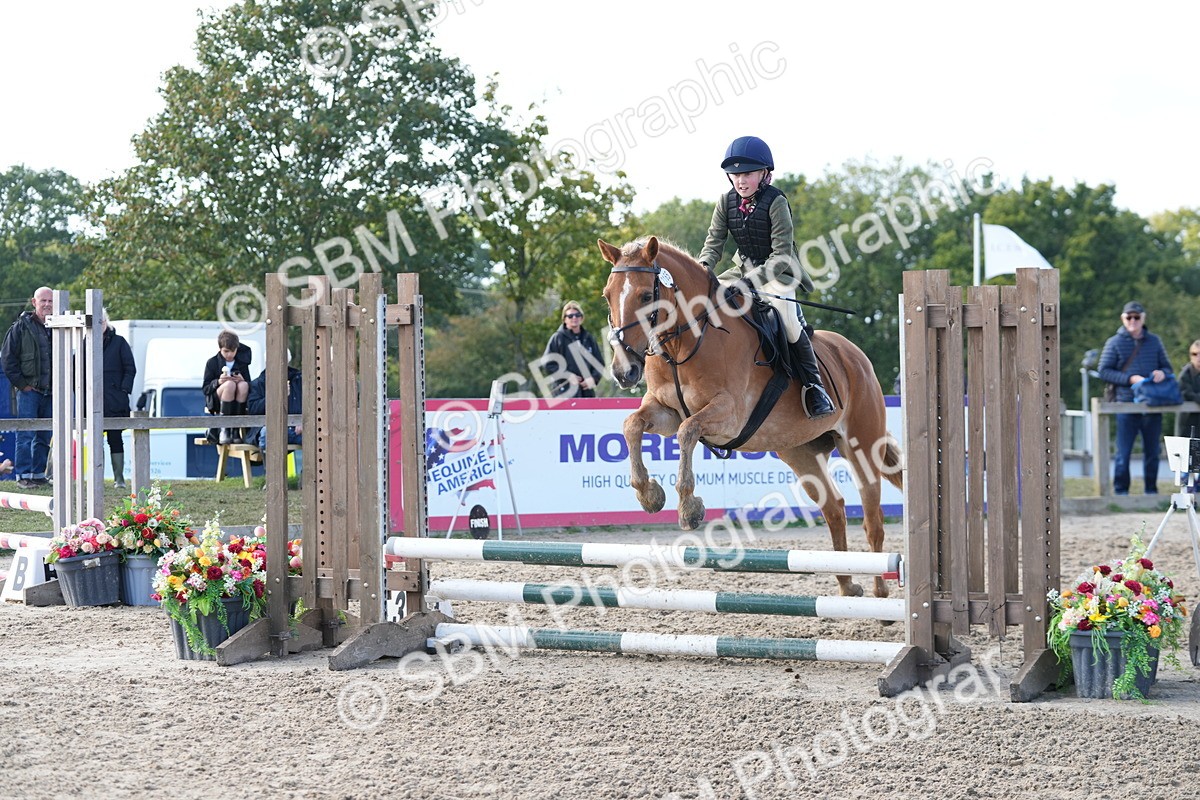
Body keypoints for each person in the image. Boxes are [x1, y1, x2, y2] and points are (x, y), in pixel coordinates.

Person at [696, 136, 834, 419]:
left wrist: (748, 283)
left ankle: (814, 386)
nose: (740, 180)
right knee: (705, 302)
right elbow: (713, 243)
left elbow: (781, 254)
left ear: (765, 174)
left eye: (747, 174)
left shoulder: (777, 201)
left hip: (778, 272)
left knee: (790, 324)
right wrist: (702, 269)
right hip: (742, 268)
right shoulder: (725, 201)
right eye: (735, 174)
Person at [1099, 301, 1173, 495]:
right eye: (1129, 317)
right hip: (1125, 403)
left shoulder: (1154, 341)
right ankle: (1121, 493)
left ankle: (1151, 491)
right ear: (1123, 318)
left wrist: (1161, 373)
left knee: (1152, 452)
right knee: (1123, 453)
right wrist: (1129, 378)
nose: (1133, 320)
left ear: (1143, 318)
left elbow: (1168, 367)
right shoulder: (1114, 342)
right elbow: (1104, 371)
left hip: (1151, 403)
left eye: (1136, 317)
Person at [1, 287, 54, 488]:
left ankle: (38, 474)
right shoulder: (20, 327)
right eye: (43, 301)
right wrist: (23, 386)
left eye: (50, 301)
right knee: (25, 435)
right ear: (34, 302)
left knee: (45, 435)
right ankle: (22, 475)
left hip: (51, 392)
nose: (47, 304)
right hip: (29, 391)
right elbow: (7, 360)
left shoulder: (58, 327)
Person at [100, 309, 136, 489]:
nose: (99, 325)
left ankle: (119, 479)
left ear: (107, 321)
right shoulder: (84, 344)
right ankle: (97, 478)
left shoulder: (119, 342)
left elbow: (130, 368)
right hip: (93, 401)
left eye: (102, 321)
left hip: (115, 399)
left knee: (115, 438)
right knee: (95, 441)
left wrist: (123, 390)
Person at [201, 330, 252, 445]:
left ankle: (235, 430)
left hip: (238, 399)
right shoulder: (212, 362)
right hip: (218, 399)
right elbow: (205, 389)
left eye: (233, 351)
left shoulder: (242, 362)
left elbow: (249, 384)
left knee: (243, 385)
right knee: (229, 385)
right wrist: (218, 382)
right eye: (226, 351)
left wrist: (243, 380)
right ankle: (224, 429)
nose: (229, 354)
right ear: (220, 349)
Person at [544, 301, 604, 398]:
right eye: (570, 316)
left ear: (582, 317)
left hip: (586, 394)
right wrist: (567, 376)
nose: (574, 318)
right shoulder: (557, 338)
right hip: (563, 394)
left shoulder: (589, 338)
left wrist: (593, 379)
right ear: (564, 319)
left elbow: (599, 363)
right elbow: (548, 364)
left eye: (577, 315)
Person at [245, 362, 303, 463]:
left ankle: (309, 477)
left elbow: (311, 405)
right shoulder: (258, 383)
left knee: (319, 435)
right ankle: (273, 476)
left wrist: (303, 421)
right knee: (268, 433)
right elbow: (253, 410)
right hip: (269, 428)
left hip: (297, 429)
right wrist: (276, 397)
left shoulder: (299, 380)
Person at [1176, 339, 1200, 438]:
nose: (1198, 357)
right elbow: (1187, 393)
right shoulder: (1185, 374)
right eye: (1194, 354)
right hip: (1189, 423)